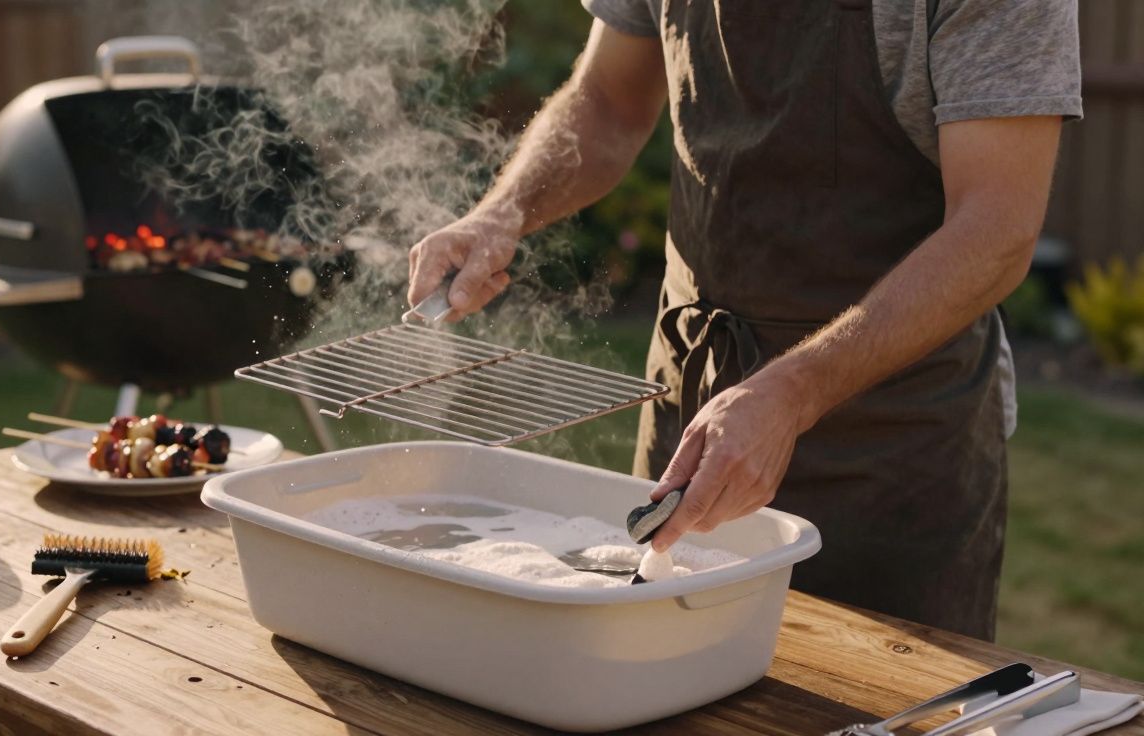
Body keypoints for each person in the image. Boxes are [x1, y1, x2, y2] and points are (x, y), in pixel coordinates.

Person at [407, 0, 1081, 640]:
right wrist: (505, 210)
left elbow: (996, 230)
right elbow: (608, 100)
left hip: (890, 446)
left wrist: (791, 391)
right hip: (693, 406)